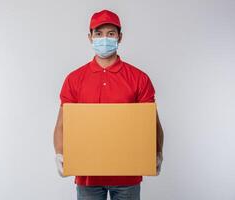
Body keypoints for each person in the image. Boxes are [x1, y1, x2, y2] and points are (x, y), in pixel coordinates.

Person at [53, 9, 164, 200]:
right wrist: (60, 153)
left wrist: (158, 151)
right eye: (99, 34)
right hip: (87, 175)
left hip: (128, 175)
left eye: (111, 34)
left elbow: (151, 122)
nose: (104, 38)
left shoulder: (139, 78)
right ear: (90, 37)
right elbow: (62, 124)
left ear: (120, 37)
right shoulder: (74, 79)